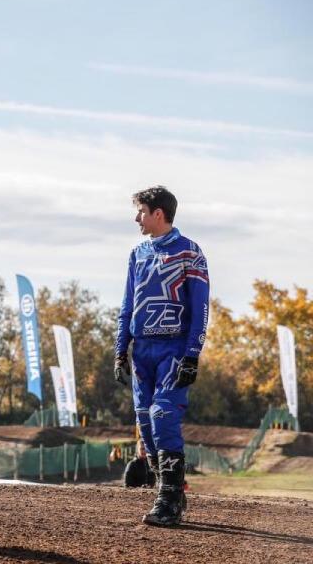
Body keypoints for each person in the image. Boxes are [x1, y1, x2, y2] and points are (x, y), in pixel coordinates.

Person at [113, 185, 209, 526]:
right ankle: (168, 493)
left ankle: (169, 500)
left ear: (158, 213)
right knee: (144, 420)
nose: (135, 217)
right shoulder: (137, 253)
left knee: (163, 414)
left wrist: (192, 354)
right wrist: (120, 349)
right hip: (142, 352)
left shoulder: (190, 252)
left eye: (140, 211)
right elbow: (127, 304)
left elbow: (200, 308)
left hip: (174, 347)